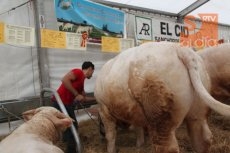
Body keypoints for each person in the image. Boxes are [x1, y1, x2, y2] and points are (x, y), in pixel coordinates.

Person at [52, 61, 95, 153]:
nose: (92, 74)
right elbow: (64, 79)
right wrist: (76, 94)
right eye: (92, 72)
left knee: (67, 125)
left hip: (67, 104)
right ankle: (71, 151)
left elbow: (83, 98)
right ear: (90, 69)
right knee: (72, 126)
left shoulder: (82, 81)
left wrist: (97, 98)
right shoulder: (78, 72)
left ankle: (65, 143)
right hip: (60, 102)